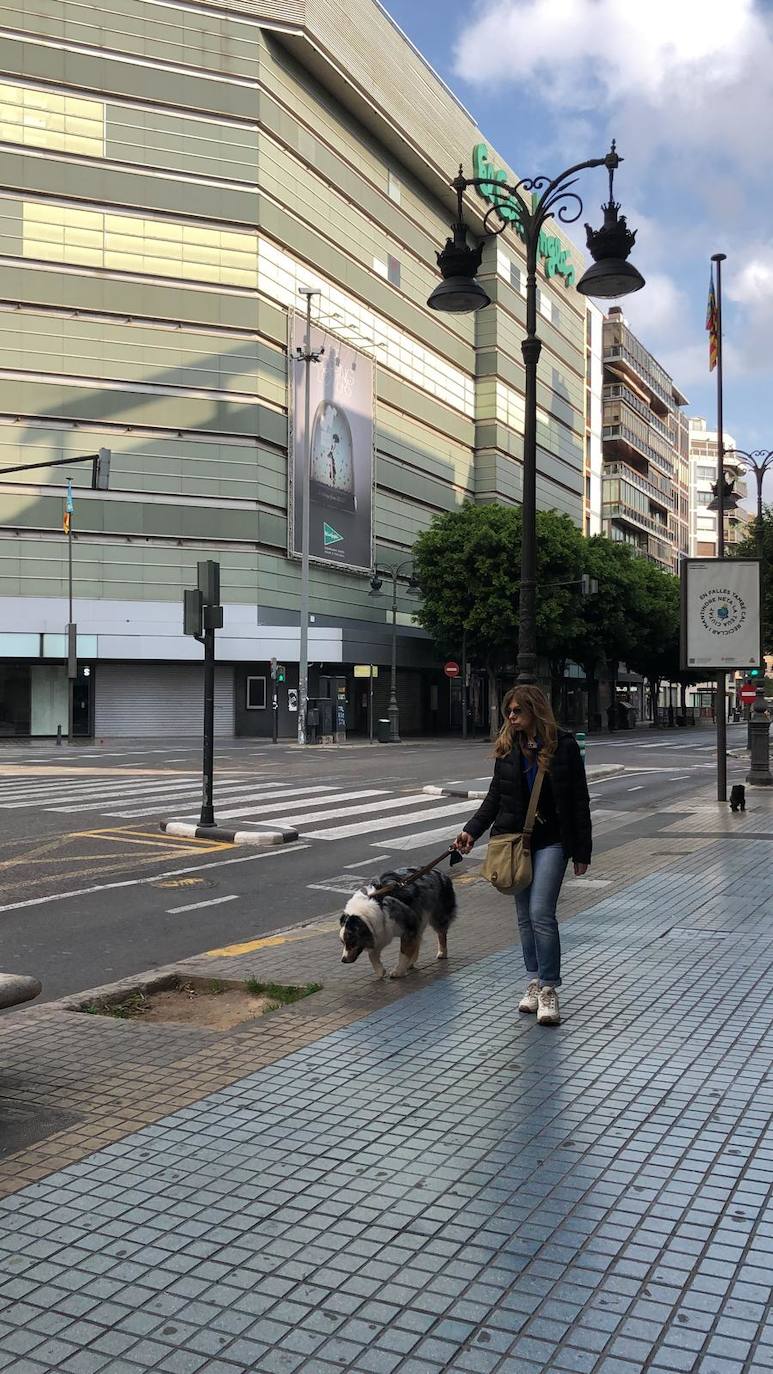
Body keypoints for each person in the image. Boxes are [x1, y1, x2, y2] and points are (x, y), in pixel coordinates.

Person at [454, 685, 592, 1027]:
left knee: (541, 913)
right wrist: (471, 831)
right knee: (524, 917)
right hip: (515, 843)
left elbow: (579, 801)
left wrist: (582, 851)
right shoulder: (508, 749)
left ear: (535, 710)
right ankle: (533, 980)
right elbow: (494, 798)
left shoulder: (564, 746)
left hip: (553, 841)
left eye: (517, 711)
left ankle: (549, 989)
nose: (511, 717)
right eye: (508, 712)